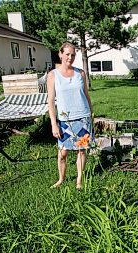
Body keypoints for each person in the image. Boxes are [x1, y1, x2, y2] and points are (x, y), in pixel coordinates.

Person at [47, 42, 93, 189]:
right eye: (67, 54)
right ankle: (61, 179)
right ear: (60, 54)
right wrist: (54, 124)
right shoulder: (53, 75)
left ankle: (79, 179)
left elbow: (86, 95)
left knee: (81, 149)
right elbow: (50, 102)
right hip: (65, 119)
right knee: (63, 153)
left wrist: (91, 114)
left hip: (83, 117)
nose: (70, 57)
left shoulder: (81, 73)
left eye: (73, 55)